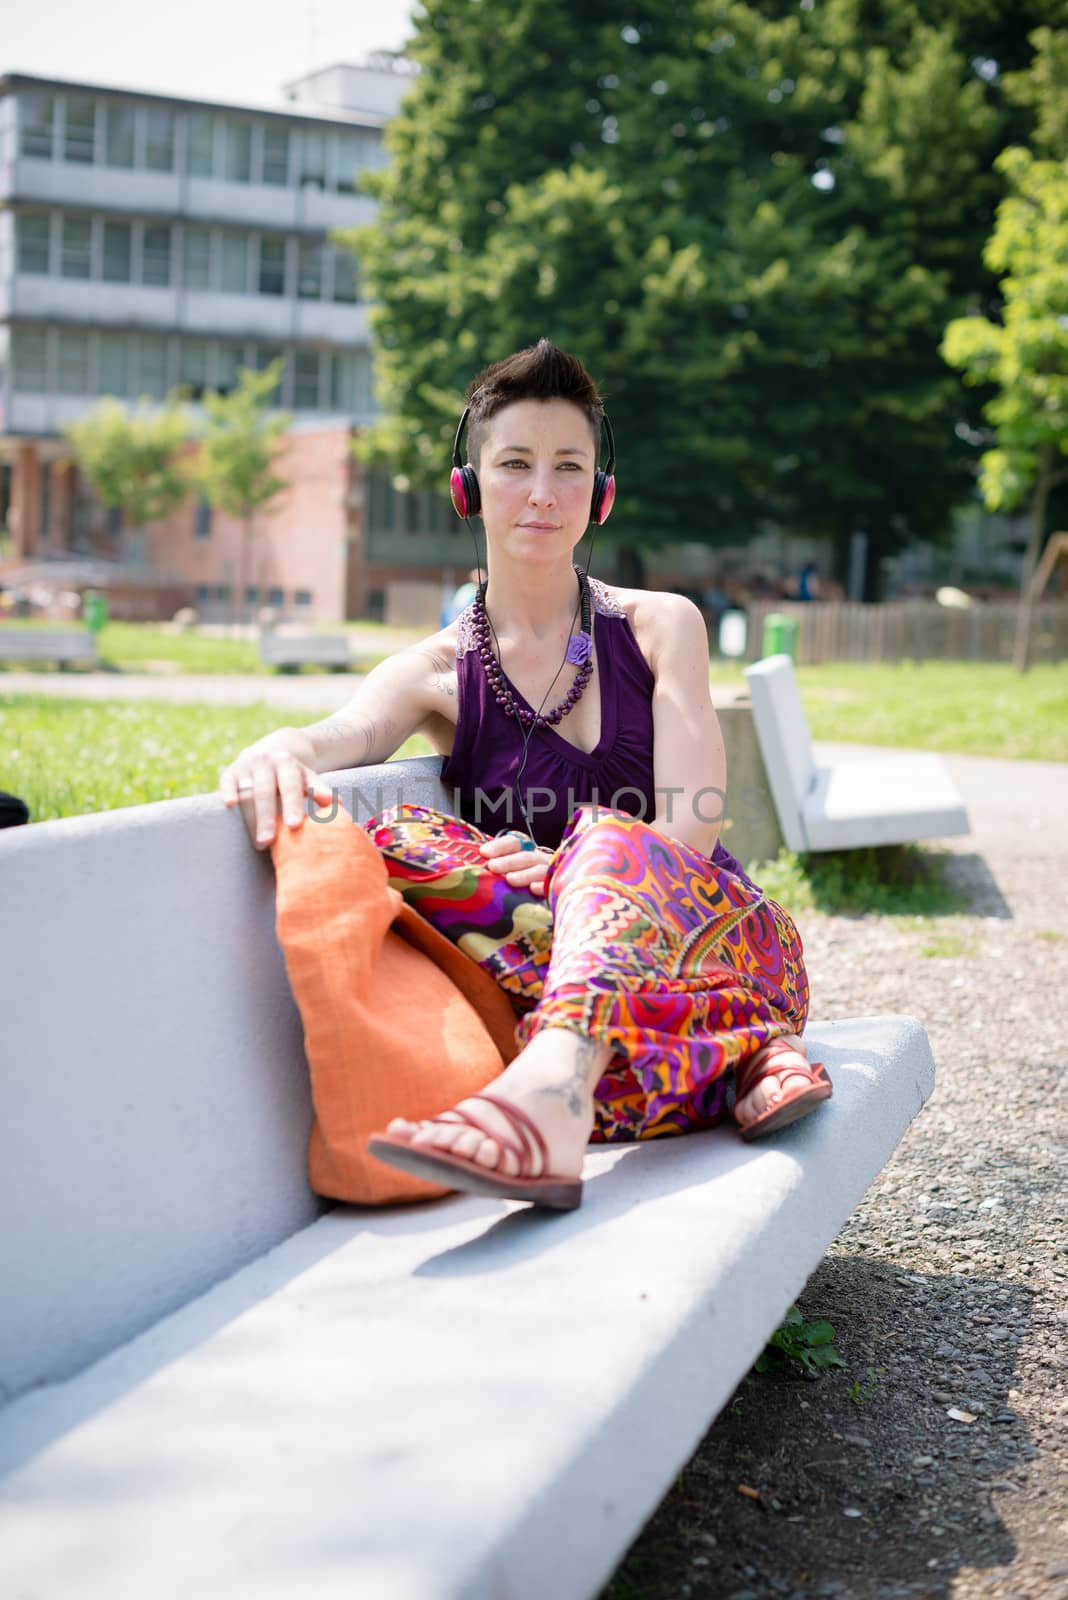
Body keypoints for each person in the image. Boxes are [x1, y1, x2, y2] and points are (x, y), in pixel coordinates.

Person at [219, 340, 830, 1211]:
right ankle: (731, 1059)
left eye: (567, 467)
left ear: (600, 492)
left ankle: (558, 1094)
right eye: (514, 464)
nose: (542, 493)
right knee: (404, 841)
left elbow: (692, 825)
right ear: (469, 488)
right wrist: (284, 743)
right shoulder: (434, 671)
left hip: (719, 946)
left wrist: (570, 868)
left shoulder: (663, 626)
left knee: (606, 844)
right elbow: (349, 730)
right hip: (568, 977)